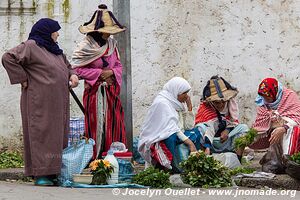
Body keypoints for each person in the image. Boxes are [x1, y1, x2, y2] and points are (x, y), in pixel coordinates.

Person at [1, 18, 79, 186]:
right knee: (41, 134)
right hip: (39, 102)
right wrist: (21, 78)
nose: (58, 34)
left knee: (57, 136)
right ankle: (40, 174)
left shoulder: (54, 50)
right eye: (55, 31)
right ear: (47, 31)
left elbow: (67, 66)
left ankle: (54, 172)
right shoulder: (31, 46)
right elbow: (8, 57)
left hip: (58, 103)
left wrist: (72, 74)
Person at [71, 4, 127, 159]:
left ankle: (114, 157)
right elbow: (76, 69)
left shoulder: (112, 45)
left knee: (115, 123)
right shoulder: (85, 47)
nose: (109, 35)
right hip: (94, 93)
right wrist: (99, 73)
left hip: (111, 91)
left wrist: (112, 72)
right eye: (106, 31)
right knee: (96, 124)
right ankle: (95, 158)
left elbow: (118, 65)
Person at [138, 77, 201, 173]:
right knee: (170, 137)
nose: (186, 96)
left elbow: (188, 127)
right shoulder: (162, 103)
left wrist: (189, 107)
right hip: (158, 138)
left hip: (178, 134)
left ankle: (194, 166)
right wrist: (190, 143)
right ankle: (166, 168)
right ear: (176, 91)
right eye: (184, 93)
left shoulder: (176, 103)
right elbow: (172, 129)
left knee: (197, 132)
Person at [250, 78, 300, 172]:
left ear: (275, 92)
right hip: (274, 133)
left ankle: (288, 159)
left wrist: (283, 128)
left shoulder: (289, 96)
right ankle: (278, 160)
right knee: (275, 134)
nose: (265, 100)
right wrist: (250, 136)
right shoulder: (263, 103)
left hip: (293, 134)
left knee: (288, 129)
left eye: (267, 97)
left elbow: (297, 118)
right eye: (264, 97)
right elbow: (260, 124)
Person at [195, 75, 249, 161]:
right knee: (200, 128)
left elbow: (233, 122)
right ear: (211, 101)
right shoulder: (206, 109)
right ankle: (205, 158)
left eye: (223, 101)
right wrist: (207, 146)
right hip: (211, 143)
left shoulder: (230, 105)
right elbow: (208, 129)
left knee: (244, 128)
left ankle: (238, 159)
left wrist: (227, 130)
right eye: (217, 103)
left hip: (226, 141)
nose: (221, 105)